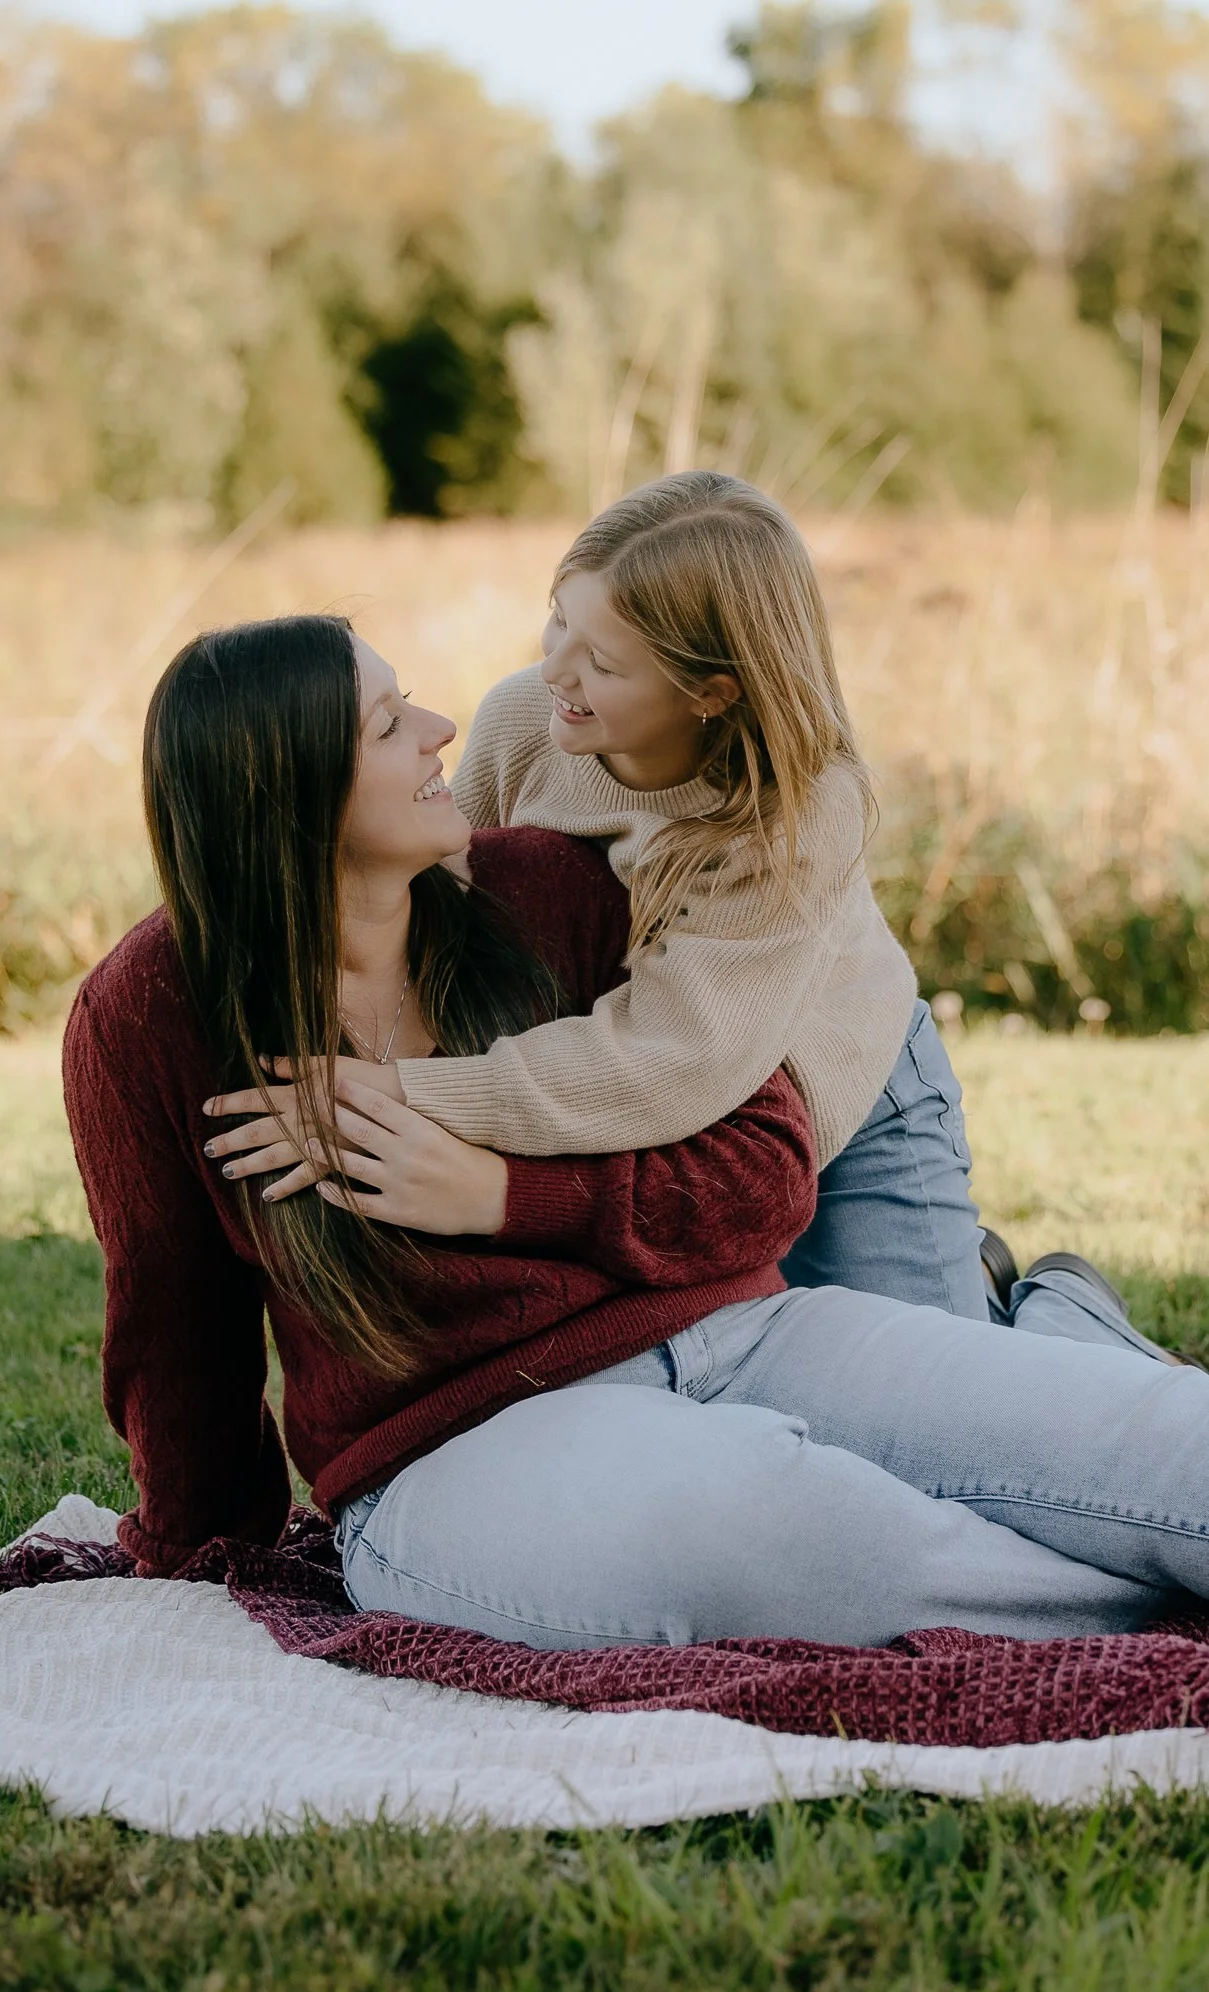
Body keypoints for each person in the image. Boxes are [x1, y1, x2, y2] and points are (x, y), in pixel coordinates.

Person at [66, 613, 1209, 1652]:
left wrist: (501, 1194)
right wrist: (199, 1543)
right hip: (459, 1452)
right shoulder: (148, 1011)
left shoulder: (550, 889)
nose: (440, 728)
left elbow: (765, 1170)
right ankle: (1157, 1626)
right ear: (287, 788)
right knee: (803, 1526)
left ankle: (1091, 1416)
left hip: (740, 1332)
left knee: (1153, 1437)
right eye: (387, 721)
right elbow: (175, 1319)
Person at [255, 473, 993, 1318]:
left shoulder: (795, 809)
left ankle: (1050, 1300)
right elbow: (448, 915)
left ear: (710, 692)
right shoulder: (524, 721)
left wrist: (404, 1091)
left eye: (601, 663)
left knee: (937, 1358)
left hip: (836, 1086)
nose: (553, 669)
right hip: (631, 1093)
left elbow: (674, 1057)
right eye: (558, 620)